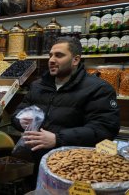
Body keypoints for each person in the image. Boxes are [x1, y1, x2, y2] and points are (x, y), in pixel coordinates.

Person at [11, 36, 120, 187]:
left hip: (75, 168)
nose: (51, 60)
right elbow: (19, 111)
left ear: (75, 60)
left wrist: (58, 138)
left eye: (59, 55)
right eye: (50, 55)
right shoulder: (38, 85)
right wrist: (20, 120)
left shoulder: (98, 88)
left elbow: (105, 128)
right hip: (40, 161)